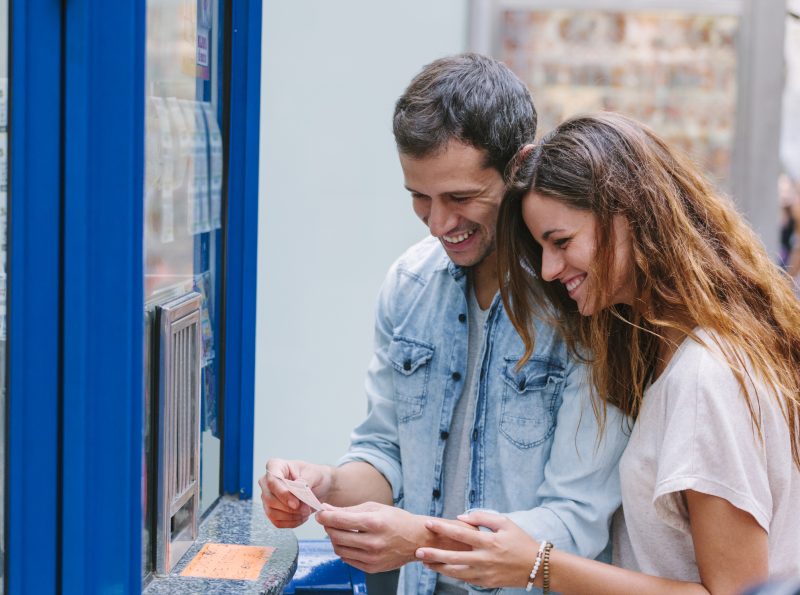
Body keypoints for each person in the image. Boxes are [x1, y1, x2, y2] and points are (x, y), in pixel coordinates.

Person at [259, 55, 629, 595]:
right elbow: (386, 453)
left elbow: (574, 523)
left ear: (519, 167)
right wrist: (327, 484)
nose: (438, 224)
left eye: (460, 198)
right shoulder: (409, 286)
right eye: (419, 198)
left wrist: (420, 540)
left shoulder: (584, 301)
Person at [414, 112, 800, 594]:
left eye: (561, 242)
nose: (550, 269)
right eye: (541, 250)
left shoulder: (705, 378)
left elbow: (734, 592)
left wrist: (539, 563)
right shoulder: (670, 348)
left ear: (630, 215)